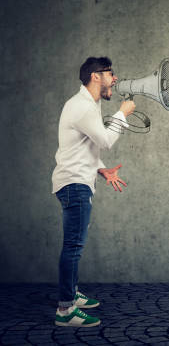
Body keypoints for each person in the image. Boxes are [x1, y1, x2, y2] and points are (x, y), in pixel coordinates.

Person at [51, 57, 135, 327]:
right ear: (96, 77)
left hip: (76, 180)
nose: (115, 79)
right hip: (75, 184)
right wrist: (123, 113)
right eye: (111, 74)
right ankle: (66, 311)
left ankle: (72, 294)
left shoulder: (87, 105)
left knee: (74, 246)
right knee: (73, 247)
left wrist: (102, 170)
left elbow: (81, 147)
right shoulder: (84, 107)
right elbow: (107, 141)